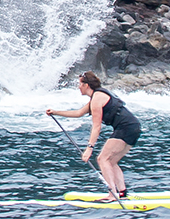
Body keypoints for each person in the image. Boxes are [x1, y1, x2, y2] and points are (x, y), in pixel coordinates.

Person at [46, 71, 142, 199]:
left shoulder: (97, 98)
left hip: (126, 128)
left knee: (102, 159)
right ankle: (122, 192)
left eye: (80, 84)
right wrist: (55, 112)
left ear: (86, 85)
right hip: (133, 126)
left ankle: (112, 194)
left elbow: (97, 127)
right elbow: (79, 113)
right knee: (111, 161)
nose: (78, 87)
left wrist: (89, 148)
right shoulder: (96, 97)